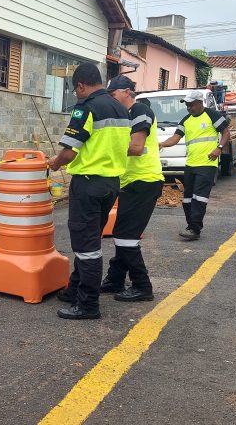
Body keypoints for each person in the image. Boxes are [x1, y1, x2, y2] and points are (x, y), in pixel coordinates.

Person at [47, 63, 131, 320]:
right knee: (90, 239)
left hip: (88, 183)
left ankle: (87, 304)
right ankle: (75, 289)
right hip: (111, 184)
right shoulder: (121, 108)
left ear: (81, 86)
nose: (77, 95)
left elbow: (70, 150)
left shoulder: (86, 108)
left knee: (87, 246)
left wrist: (55, 162)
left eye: (76, 91)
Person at [99, 75, 164, 302]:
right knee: (123, 233)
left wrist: (102, 151)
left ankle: (142, 286)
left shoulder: (140, 111)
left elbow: (136, 148)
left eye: (113, 95)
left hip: (144, 181)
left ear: (126, 92)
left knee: (126, 235)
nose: (111, 99)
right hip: (131, 182)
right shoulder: (124, 115)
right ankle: (115, 279)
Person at [159, 90, 229, 240]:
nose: (189, 108)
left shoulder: (211, 115)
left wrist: (219, 148)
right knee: (187, 199)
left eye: (191, 105)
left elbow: (225, 132)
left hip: (207, 164)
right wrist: (161, 144)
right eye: (187, 105)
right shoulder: (186, 120)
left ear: (200, 103)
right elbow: (175, 138)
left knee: (200, 198)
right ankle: (191, 226)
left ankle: (194, 229)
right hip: (191, 164)